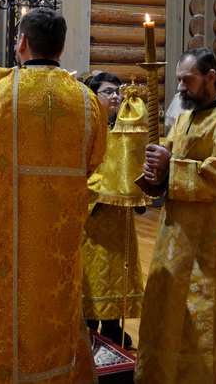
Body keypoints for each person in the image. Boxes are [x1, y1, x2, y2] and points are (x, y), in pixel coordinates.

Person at [0, 7, 107, 383]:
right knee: (53, 310)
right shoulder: (86, 100)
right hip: (59, 242)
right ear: (62, 48)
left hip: (1, 236)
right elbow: (94, 162)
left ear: (22, 42)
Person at [134, 48, 216, 383]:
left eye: (187, 80)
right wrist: (155, 173)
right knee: (166, 316)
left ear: (210, 77)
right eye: (178, 80)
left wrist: (170, 165)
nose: (180, 88)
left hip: (208, 249)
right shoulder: (187, 117)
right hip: (174, 239)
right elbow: (168, 164)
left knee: (200, 326)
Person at [82, 72, 147, 348]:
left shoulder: (123, 129)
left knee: (116, 269)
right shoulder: (83, 129)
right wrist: (107, 187)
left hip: (118, 215)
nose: (115, 97)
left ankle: (111, 324)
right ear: (92, 95)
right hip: (91, 212)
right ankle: (88, 324)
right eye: (108, 92)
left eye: (117, 93)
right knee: (90, 271)